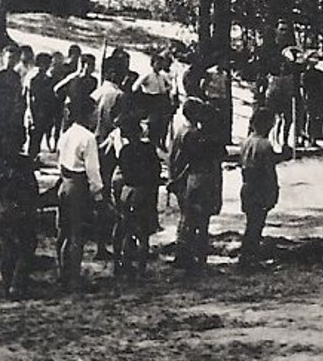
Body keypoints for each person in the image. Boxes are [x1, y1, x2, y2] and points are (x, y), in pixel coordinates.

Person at [169, 71, 226, 271]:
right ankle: (195, 256)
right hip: (199, 180)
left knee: (188, 219)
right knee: (199, 221)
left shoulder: (181, 131)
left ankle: (185, 254)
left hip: (188, 179)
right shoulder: (196, 135)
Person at [55, 97, 104, 291]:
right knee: (77, 234)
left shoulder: (66, 134)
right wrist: (98, 195)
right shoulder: (88, 138)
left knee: (63, 233)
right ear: (87, 113)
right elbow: (93, 170)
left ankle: (62, 273)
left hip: (64, 183)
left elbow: (59, 161)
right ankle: (74, 278)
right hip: (78, 186)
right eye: (94, 113)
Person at [111, 113, 162, 278]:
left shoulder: (125, 151)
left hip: (128, 190)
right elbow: (156, 171)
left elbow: (123, 171)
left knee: (126, 229)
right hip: (144, 191)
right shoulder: (149, 149)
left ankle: (123, 265)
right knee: (143, 233)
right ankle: (141, 269)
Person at [238, 107, 288, 267]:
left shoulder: (246, 142)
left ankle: (247, 255)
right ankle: (249, 257)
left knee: (251, 222)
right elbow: (269, 170)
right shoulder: (265, 145)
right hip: (259, 187)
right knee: (256, 223)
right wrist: (274, 190)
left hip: (246, 185)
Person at [0, 148, 41, 297]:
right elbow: (33, 188)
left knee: (6, 246)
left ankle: (7, 284)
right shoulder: (24, 163)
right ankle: (18, 284)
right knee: (27, 245)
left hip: (4, 208)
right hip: (21, 209)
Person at [23, 51, 58, 161]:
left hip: (41, 113)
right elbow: (30, 97)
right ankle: (29, 161)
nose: (49, 66)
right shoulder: (35, 77)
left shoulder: (43, 77)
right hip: (35, 112)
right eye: (47, 63)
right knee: (33, 139)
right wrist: (31, 115)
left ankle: (33, 159)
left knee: (36, 139)